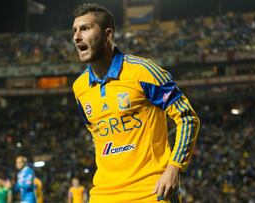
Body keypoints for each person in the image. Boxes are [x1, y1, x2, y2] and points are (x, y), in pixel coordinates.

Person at [72, 3, 200, 203]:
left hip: (151, 192)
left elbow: (187, 118)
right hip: (103, 195)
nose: (76, 36)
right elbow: (95, 133)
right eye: (74, 30)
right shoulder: (80, 88)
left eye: (85, 29)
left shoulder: (143, 72)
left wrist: (174, 167)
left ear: (108, 34)